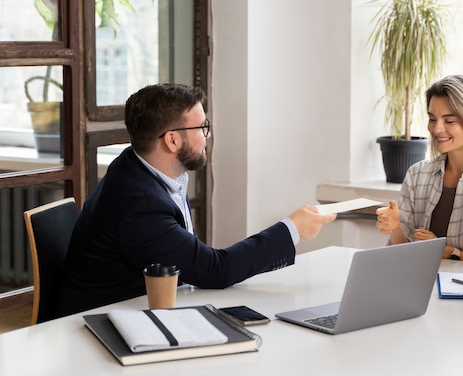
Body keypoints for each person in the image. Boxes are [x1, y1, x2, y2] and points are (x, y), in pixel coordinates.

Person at [56, 83, 336, 318]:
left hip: (149, 307)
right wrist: (293, 229)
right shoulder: (140, 205)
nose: (208, 135)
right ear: (173, 141)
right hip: (110, 323)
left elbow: (195, 264)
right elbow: (215, 270)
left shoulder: (138, 166)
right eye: (202, 127)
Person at [375, 75, 463, 266]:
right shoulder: (417, 175)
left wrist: (447, 252)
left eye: (449, 121)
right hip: (420, 288)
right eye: (432, 119)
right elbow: (402, 256)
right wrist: (395, 228)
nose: (436, 129)